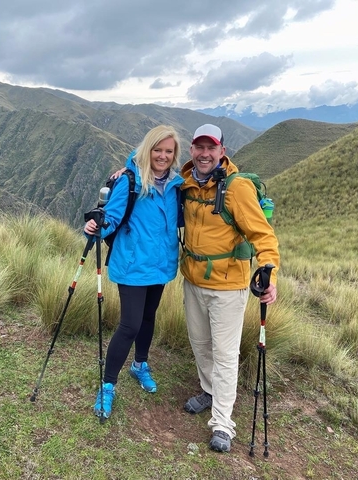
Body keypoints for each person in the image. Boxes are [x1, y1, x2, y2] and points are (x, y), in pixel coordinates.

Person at [180, 124, 280, 453]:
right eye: (199, 147)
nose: (204, 154)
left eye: (211, 148)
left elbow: (262, 235)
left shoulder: (236, 189)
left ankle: (223, 422)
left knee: (224, 355)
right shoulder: (188, 182)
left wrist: (269, 272)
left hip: (227, 286)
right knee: (200, 344)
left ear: (222, 151)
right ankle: (209, 392)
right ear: (192, 149)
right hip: (193, 281)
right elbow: (153, 170)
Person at [84, 125, 184, 420]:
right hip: (131, 265)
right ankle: (107, 386)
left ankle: (140, 364)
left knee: (148, 318)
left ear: (175, 154)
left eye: (168, 151)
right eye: (157, 150)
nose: (163, 156)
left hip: (161, 265)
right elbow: (111, 217)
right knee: (129, 325)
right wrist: (96, 226)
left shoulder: (176, 184)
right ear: (147, 150)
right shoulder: (131, 180)